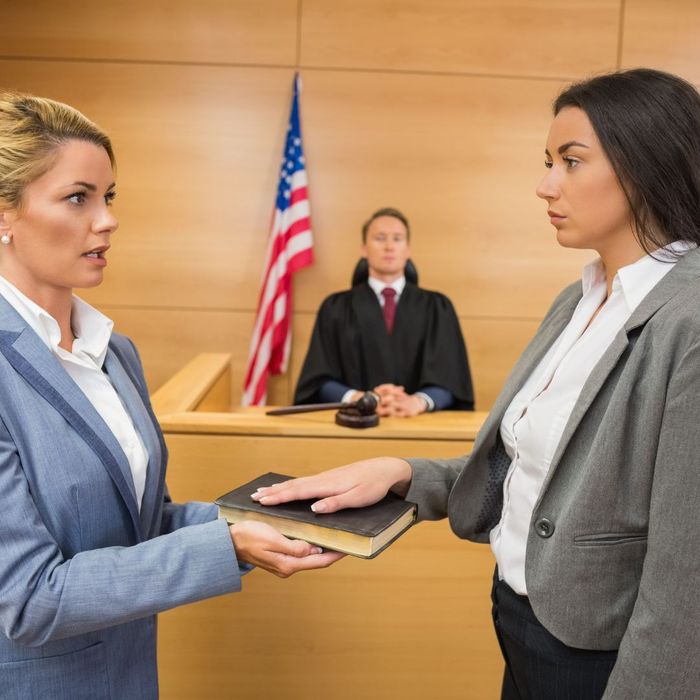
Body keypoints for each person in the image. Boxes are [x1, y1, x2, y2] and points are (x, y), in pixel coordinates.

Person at [253, 68, 700, 699]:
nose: (545, 185)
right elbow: (535, 467)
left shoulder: (690, 319)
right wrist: (404, 475)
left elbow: (687, 574)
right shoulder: (576, 298)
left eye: (571, 162)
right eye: (548, 161)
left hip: (603, 657)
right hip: (523, 622)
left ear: (645, 164)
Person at [0, 93, 343, 699]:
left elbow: (144, 524)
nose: (106, 220)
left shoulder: (115, 351)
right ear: (5, 213)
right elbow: (28, 598)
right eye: (77, 197)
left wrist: (259, 516)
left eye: (108, 197)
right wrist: (223, 543)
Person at [294, 207, 474, 416]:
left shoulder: (437, 308)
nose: (389, 246)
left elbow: (452, 380)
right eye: (380, 238)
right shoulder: (335, 308)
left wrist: (417, 402)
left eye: (397, 239)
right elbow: (318, 381)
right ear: (364, 248)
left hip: (420, 428)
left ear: (408, 250)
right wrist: (361, 399)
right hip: (354, 427)